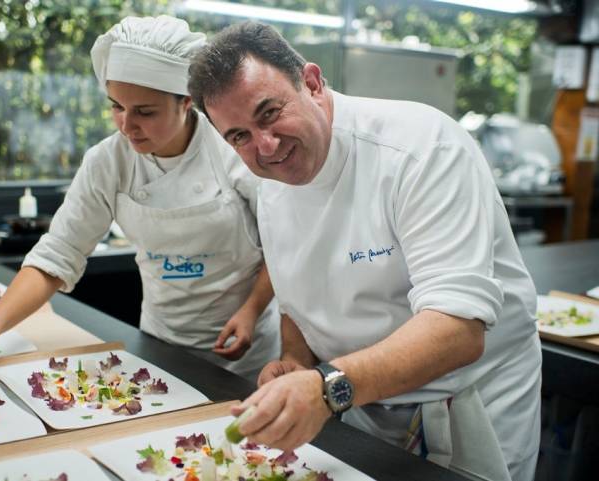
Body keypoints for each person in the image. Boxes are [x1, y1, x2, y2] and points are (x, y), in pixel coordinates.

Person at [188, 21, 541, 481]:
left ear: (312, 83)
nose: (265, 147)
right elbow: (298, 294)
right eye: (239, 136)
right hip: (359, 401)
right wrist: (297, 362)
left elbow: (458, 329)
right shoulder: (271, 177)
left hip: (467, 405)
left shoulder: (420, 148)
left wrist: (325, 387)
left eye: (270, 112)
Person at [0, 16, 280, 382]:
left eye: (145, 112)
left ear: (185, 101)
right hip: (160, 345)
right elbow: (57, 254)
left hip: (248, 355)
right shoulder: (108, 161)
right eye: (117, 106)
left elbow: (285, 245)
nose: (126, 125)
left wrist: (251, 309)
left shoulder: (233, 150)